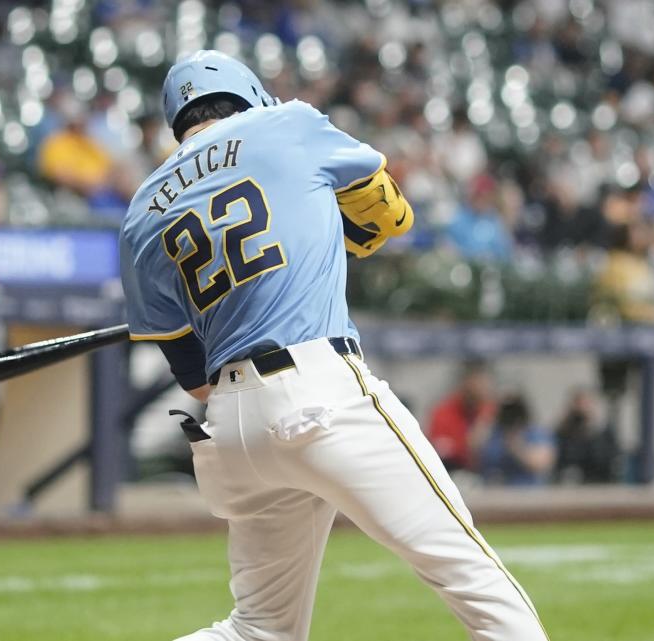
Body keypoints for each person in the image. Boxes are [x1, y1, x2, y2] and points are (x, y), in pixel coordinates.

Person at [120, 51, 548, 641]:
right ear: (250, 93)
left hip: (232, 430)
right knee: (473, 576)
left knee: (257, 629)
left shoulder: (141, 212)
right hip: (320, 394)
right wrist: (320, 227)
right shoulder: (288, 123)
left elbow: (195, 379)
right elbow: (391, 214)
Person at [427, 359, 499, 473]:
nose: (482, 387)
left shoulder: (492, 409)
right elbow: (440, 450)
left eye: (484, 382)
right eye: (476, 381)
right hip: (454, 472)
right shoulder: (444, 411)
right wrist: (467, 445)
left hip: (492, 474)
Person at [477, 395, 556, 486]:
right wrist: (487, 416)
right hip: (492, 492)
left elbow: (542, 463)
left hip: (527, 493)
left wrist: (516, 446)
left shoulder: (535, 432)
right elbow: (475, 456)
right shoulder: (492, 431)